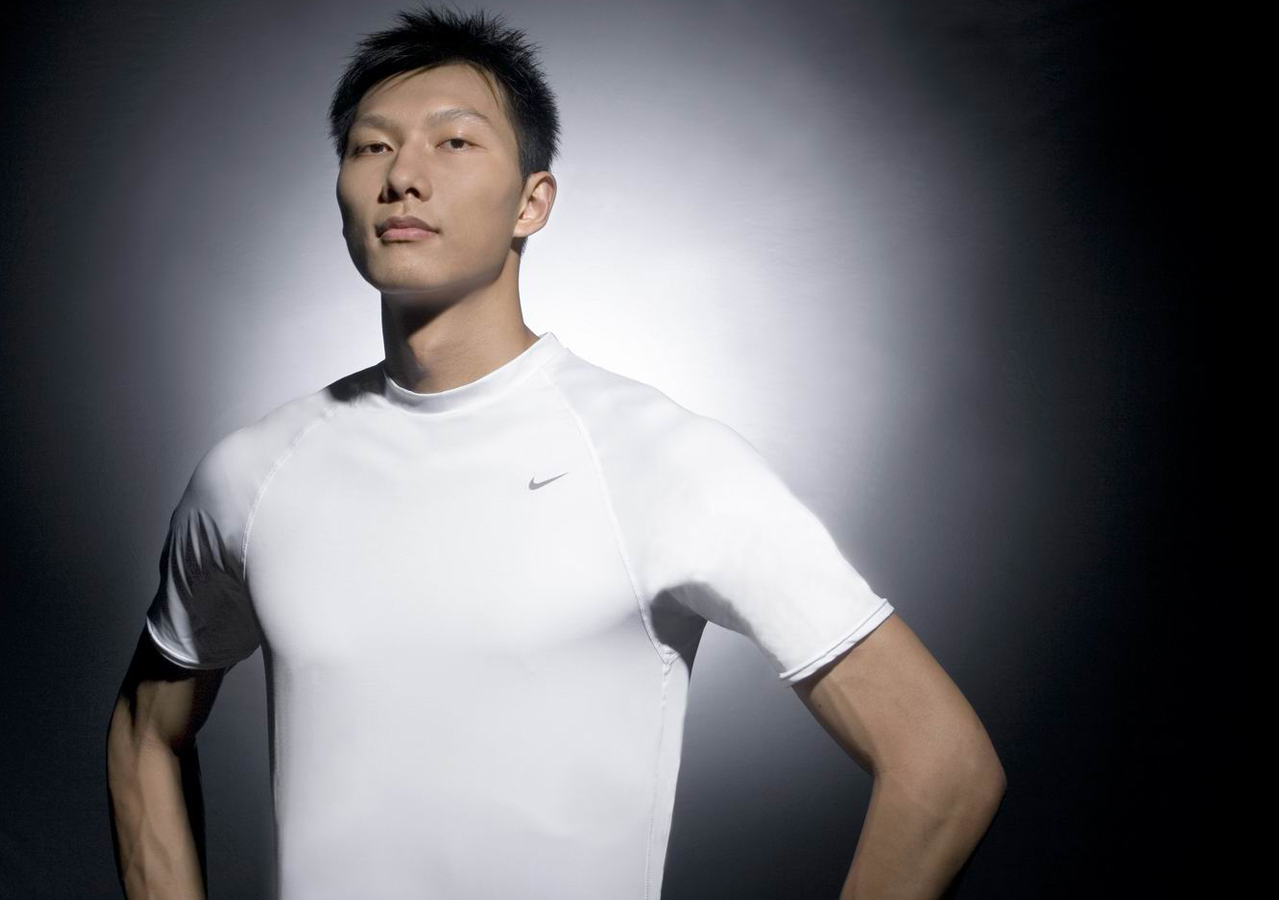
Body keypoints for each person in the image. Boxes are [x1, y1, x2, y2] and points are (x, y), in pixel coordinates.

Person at [106, 6, 1006, 899]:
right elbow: (146, 729)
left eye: (454, 143)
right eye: (371, 147)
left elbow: (943, 764)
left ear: (532, 202)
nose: (403, 177)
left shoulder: (658, 462)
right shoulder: (257, 475)